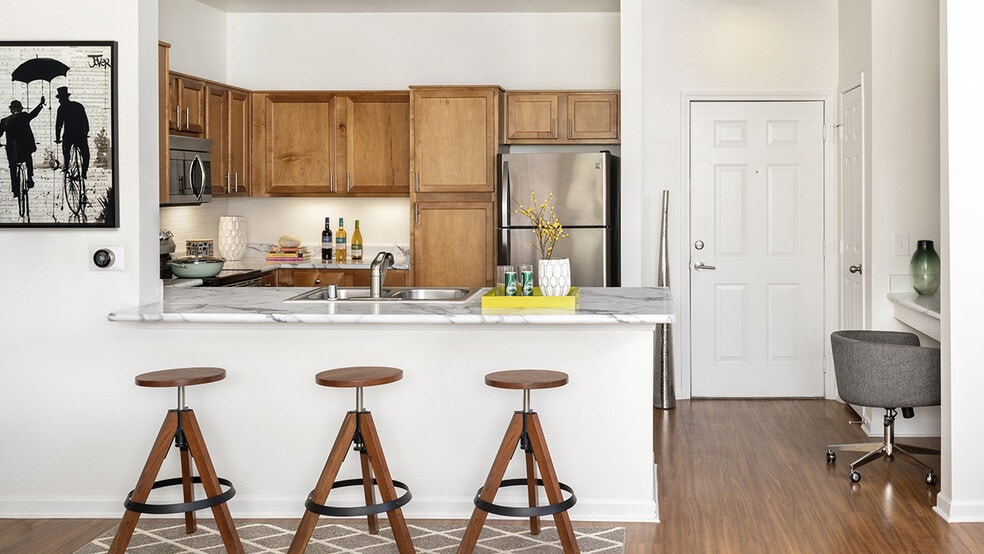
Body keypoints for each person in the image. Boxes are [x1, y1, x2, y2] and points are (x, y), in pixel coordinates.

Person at [0, 96, 45, 198]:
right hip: (24, 148)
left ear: (11, 109)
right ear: (20, 109)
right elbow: (34, 114)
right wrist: (41, 104)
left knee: (12, 167)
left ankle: (15, 190)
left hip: (12, 150)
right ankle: (29, 177)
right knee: (28, 159)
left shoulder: (4, 121)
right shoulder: (24, 116)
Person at [54, 86, 90, 180]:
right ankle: (84, 172)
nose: (59, 101)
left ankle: (66, 165)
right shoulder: (78, 105)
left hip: (69, 136)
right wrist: (86, 132)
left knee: (66, 151)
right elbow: (85, 121)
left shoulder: (61, 109)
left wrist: (58, 138)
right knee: (85, 154)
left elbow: (59, 125)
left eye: (60, 99)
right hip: (80, 135)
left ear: (63, 98)